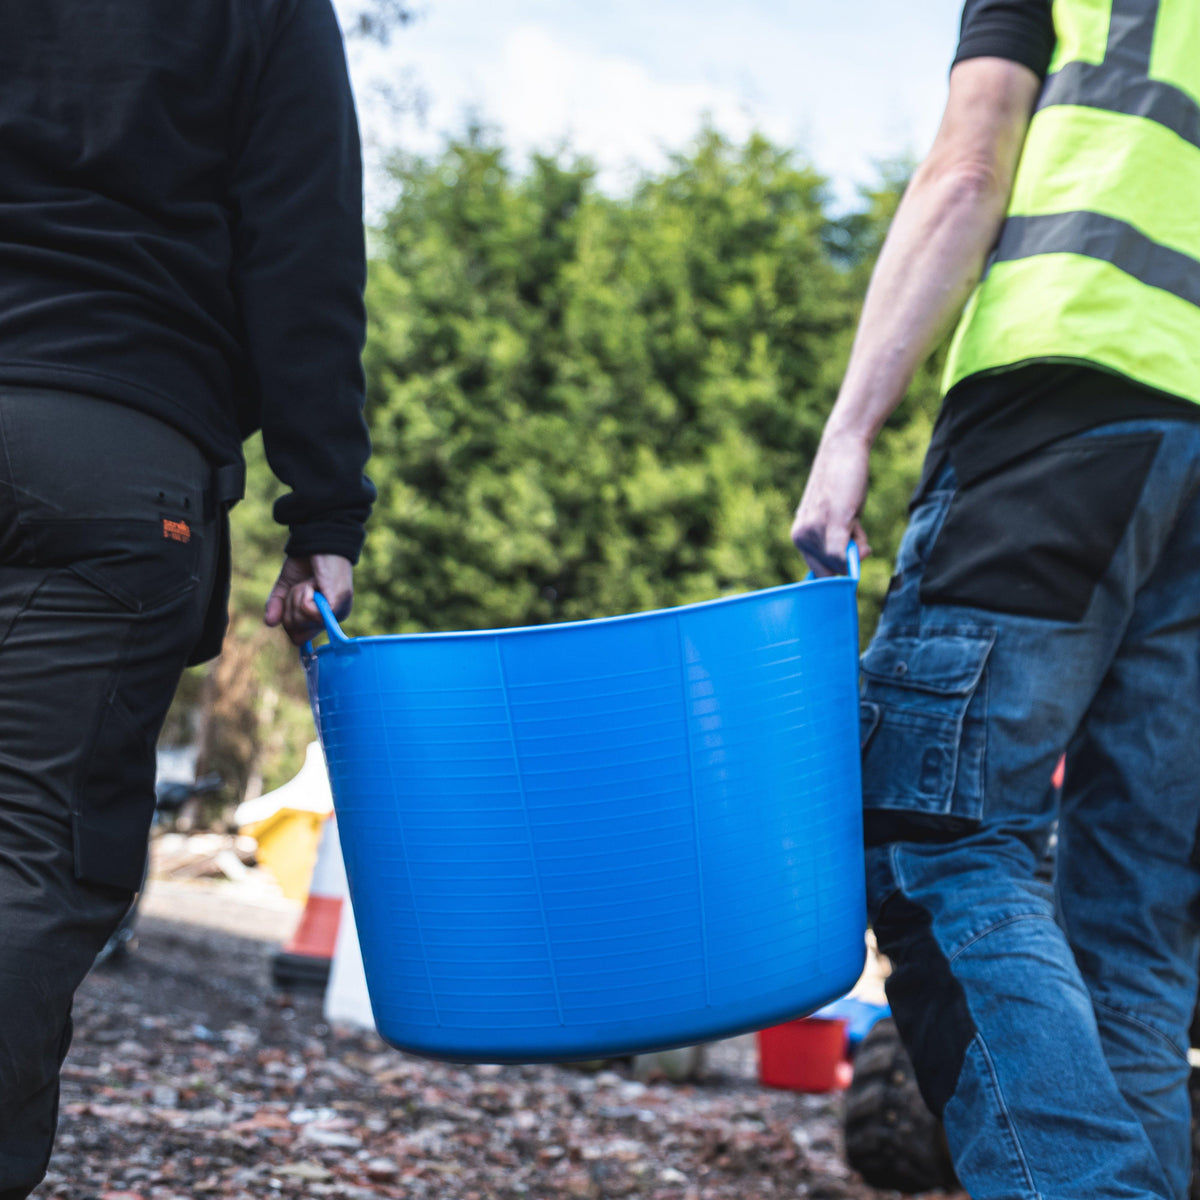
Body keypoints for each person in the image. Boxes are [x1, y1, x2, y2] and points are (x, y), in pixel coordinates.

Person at [792, 1, 1200, 1197]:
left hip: (1067, 390)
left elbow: (970, 167)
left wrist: (851, 426)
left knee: (936, 831)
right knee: (1136, 924)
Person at [0, 0, 374, 1193]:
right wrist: (325, 515)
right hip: (115, 451)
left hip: (95, 440)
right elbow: (305, 253)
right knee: (29, 857)